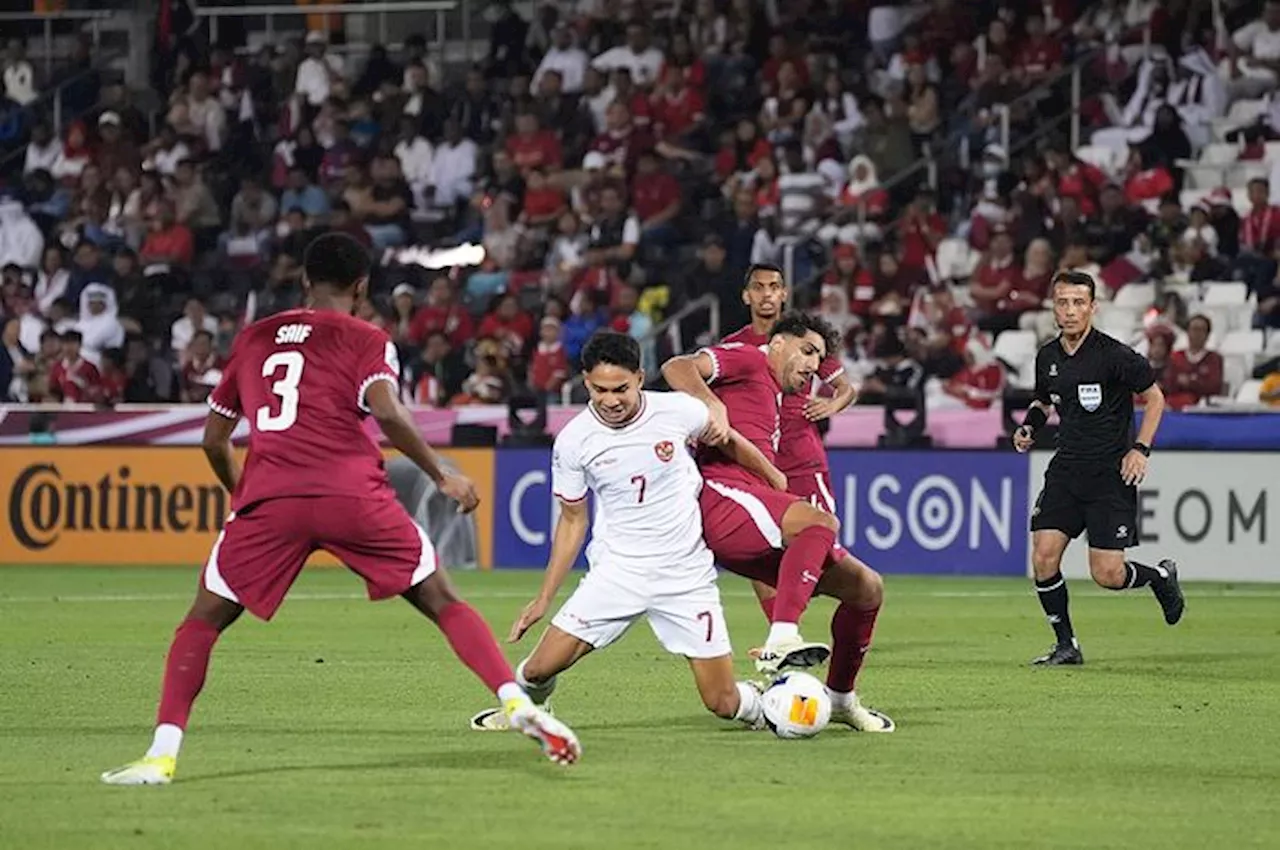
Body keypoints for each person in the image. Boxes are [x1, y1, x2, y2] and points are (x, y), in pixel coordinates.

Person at [100, 234, 580, 786]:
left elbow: (213, 439)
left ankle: (160, 756)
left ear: (304, 280)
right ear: (362, 286)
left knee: (201, 623)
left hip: (272, 495)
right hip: (352, 492)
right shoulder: (366, 337)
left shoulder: (254, 338)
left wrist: (245, 497)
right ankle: (515, 702)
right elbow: (390, 415)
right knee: (441, 600)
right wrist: (440, 473)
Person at [469, 331, 777, 733]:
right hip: (617, 573)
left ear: (641, 377)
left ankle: (772, 705)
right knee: (537, 670)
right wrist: (544, 597)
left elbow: (729, 441)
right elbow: (572, 519)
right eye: (600, 390)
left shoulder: (678, 411)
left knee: (723, 703)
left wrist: (775, 479)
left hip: (685, 576)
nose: (611, 400)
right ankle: (529, 709)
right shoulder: (574, 441)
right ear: (585, 382)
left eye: (621, 389)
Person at [715, 264, 892, 732]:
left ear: (784, 293)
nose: (768, 295)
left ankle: (828, 692)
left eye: (775, 287)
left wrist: (830, 405)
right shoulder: (739, 350)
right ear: (747, 295)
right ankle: (788, 678)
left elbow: (845, 386)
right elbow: (687, 370)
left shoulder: (805, 343)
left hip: (803, 464)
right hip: (752, 471)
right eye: (759, 287)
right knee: (772, 575)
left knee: (826, 559)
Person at [1012, 270, 1185, 666]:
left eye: (1078, 303)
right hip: (1066, 469)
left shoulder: (1116, 356)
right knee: (1043, 555)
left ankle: (1159, 577)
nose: (1070, 311)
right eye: (1062, 302)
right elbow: (1044, 402)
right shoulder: (1048, 357)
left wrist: (1140, 449)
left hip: (1109, 474)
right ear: (1053, 307)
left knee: (1107, 574)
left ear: (1093, 307)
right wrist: (1029, 427)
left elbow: (1155, 399)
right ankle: (1066, 646)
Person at [661, 310, 840, 674]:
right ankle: (783, 637)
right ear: (777, 343)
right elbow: (677, 367)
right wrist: (711, 404)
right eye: (807, 351)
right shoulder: (748, 357)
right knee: (818, 524)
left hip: (747, 493)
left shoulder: (773, 393)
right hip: (722, 487)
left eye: (819, 359)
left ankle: (821, 685)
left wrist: (770, 473)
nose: (812, 366)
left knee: (864, 586)